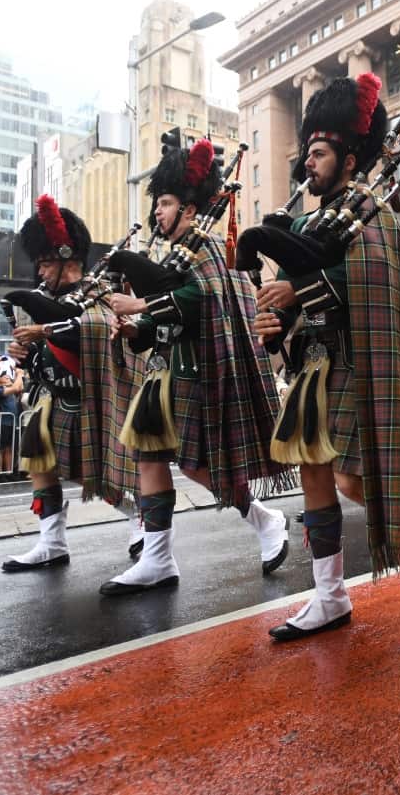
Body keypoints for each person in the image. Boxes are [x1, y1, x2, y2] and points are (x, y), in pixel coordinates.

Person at [253, 72, 400, 638]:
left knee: (354, 480)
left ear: (350, 159)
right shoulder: (307, 222)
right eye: (307, 152)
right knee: (314, 475)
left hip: (358, 364)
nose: (309, 163)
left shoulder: (371, 215)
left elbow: (375, 280)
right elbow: (287, 299)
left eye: (321, 152)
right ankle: (329, 596)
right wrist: (273, 323)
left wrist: (299, 289)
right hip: (313, 369)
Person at [103, 138, 292, 596]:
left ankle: (266, 520)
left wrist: (143, 301)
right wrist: (137, 330)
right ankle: (157, 559)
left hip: (195, 374)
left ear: (190, 208)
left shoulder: (208, 247)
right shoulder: (176, 254)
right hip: (163, 374)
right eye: (158, 205)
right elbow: (167, 319)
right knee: (148, 458)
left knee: (196, 466)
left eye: (165, 203)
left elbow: (203, 299)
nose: (158, 215)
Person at [2, 196, 143, 572]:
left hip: (88, 395)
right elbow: (36, 356)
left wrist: (43, 330)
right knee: (39, 462)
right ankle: (51, 542)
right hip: (50, 395)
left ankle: (139, 517)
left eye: (46, 262)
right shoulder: (40, 299)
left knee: (92, 472)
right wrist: (23, 352)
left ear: (68, 259)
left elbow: (93, 329)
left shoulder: (96, 293)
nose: (41, 270)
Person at [0, 369, 20, 475]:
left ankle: (8, 473)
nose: (5, 376)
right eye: (2, 376)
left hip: (11, 422)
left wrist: (17, 376)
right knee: (0, 448)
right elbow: (16, 388)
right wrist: (20, 374)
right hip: (1, 422)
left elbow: (20, 387)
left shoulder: (4, 387)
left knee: (9, 448)